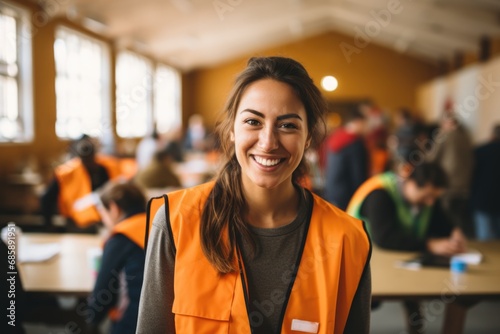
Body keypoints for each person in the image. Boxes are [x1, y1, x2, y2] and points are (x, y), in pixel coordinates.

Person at [137, 57, 371, 333]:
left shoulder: (347, 239)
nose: (268, 142)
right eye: (252, 121)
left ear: (308, 137)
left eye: (288, 125)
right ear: (232, 129)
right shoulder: (176, 221)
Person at [347, 161, 467, 334]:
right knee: (365, 305)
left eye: (435, 197)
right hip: (363, 261)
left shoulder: (426, 197)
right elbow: (385, 237)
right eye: (428, 196)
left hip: (397, 261)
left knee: (414, 290)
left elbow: (441, 221)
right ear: (411, 184)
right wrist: (430, 244)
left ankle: (415, 325)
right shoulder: (380, 194)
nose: (431, 202)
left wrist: (454, 231)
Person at [85, 181, 147, 334]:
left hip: (134, 324)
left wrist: (90, 321)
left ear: (113, 208)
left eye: (103, 214)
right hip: (168, 321)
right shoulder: (157, 225)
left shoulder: (121, 238)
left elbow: (102, 292)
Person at [40, 135, 122, 233]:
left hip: (105, 221)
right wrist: (49, 226)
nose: (89, 162)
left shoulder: (107, 168)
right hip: (77, 225)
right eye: (85, 158)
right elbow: (46, 198)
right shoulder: (67, 173)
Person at [427, 113, 474, 237]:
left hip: (448, 183)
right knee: (461, 218)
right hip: (465, 184)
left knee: (448, 219)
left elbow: (432, 159)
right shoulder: (466, 137)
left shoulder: (444, 135)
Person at [324, 106, 369, 210]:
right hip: (348, 196)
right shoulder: (355, 144)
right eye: (366, 124)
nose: (367, 128)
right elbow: (358, 175)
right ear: (359, 122)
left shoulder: (336, 136)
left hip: (332, 192)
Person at [471, 124, 500, 240]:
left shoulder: (479, 150)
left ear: (492, 135)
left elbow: (471, 175)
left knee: (485, 240)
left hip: (482, 199)